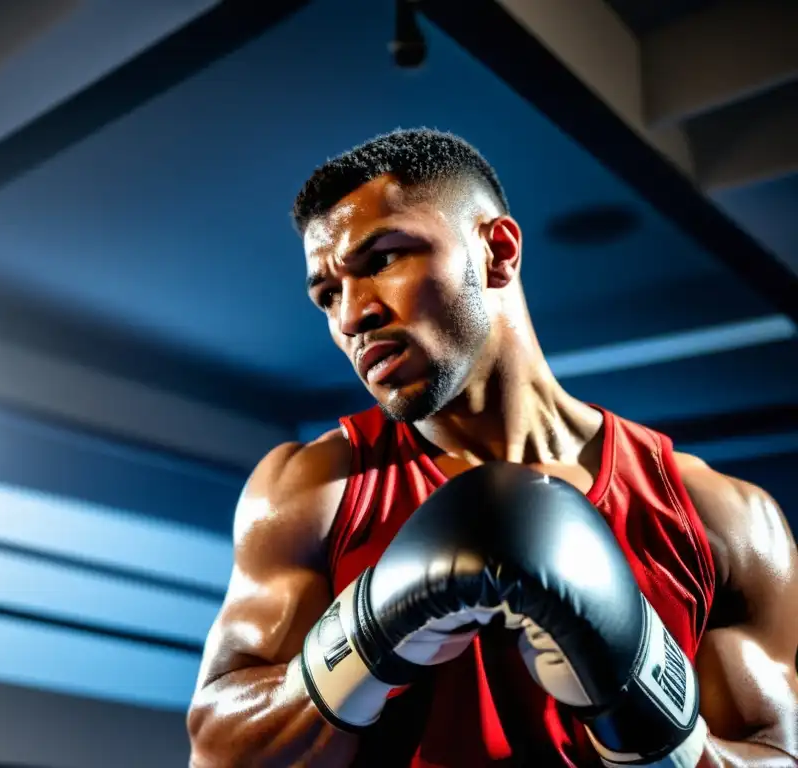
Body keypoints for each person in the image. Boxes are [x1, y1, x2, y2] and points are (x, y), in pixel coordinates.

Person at [186, 129, 798, 767]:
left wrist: (647, 708)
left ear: (497, 251)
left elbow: (775, 755)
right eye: (328, 293)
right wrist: (365, 637)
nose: (351, 315)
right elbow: (217, 753)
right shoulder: (314, 489)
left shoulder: (721, 519)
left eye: (382, 261)